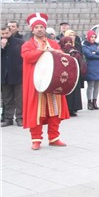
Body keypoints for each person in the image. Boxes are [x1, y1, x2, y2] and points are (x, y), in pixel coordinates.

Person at [21, 13, 69, 150]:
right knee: (36, 111)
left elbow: (61, 56)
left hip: (53, 82)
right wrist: (42, 51)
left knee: (54, 110)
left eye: (42, 27)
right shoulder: (28, 44)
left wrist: (57, 52)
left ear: (45, 28)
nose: (40, 29)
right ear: (32, 29)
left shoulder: (53, 43)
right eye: (37, 27)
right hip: (36, 83)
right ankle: (36, 139)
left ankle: (54, 137)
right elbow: (27, 56)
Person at [1, 25, 24, 127]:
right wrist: (2, 47)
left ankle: (20, 118)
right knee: (7, 99)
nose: (5, 35)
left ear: (10, 32)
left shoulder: (19, 42)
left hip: (17, 74)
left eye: (6, 33)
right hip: (4, 76)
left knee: (19, 99)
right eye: (2, 34)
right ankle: (8, 118)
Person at [59, 35, 85, 116]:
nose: (68, 44)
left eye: (70, 42)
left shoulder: (75, 51)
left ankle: (73, 109)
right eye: (66, 42)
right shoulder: (59, 51)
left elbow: (80, 63)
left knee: (74, 93)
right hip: (63, 76)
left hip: (74, 75)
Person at [82, 30, 99, 110]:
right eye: (91, 37)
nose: (93, 39)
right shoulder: (85, 46)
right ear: (88, 37)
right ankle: (89, 102)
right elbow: (89, 55)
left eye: (94, 37)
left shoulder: (97, 45)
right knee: (90, 86)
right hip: (90, 68)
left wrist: (95, 52)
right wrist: (97, 55)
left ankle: (95, 102)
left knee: (96, 86)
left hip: (98, 68)